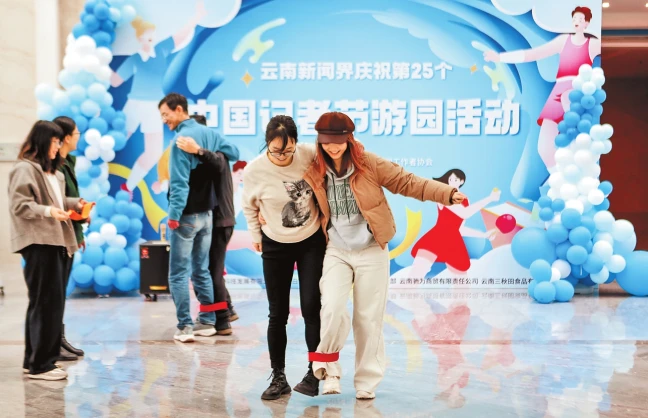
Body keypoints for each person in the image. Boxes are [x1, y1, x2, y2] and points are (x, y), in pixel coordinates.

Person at [302, 112, 465, 399]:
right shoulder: (314, 167)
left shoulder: (368, 163)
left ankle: (366, 382)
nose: (332, 147)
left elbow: (407, 181)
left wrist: (445, 193)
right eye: (326, 141)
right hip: (337, 250)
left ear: (349, 139)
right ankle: (329, 371)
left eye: (338, 141)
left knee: (368, 318)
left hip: (371, 248)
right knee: (332, 308)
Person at [241, 115, 326, 400]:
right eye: (276, 151)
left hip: (311, 241)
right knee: (277, 313)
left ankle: (314, 372)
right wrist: (256, 234)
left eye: (288, 150)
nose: (283, 156)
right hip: (275, 243)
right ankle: (278, 376)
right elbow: (249, 206)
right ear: (267, 143)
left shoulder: (309, 154)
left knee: (311, 307)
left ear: (296, 143)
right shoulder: (254, 170)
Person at [159, 93, 239, 343]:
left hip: (186, 216)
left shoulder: (181, 140)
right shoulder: (210, 134)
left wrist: (173, 215)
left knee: (178, 274)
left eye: (166, 114)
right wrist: (205, 151)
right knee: (201, 269)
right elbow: (233, 152)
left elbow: (179, 183)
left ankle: (184, 326)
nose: (164, 120)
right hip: (207, 216)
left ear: (179, 109)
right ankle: (207, 321)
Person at [8, 120, 84, 381]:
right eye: (54, 141)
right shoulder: (24, 169)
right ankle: (41, 365)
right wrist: (49, 211)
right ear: (42, 141)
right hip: (39, 242)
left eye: (60, 141)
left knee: (50, 302)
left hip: (58, 241)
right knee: (45, 303)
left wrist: (75, 204)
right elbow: (20, 205)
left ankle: (35, 360)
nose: (58, 146)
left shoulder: (55, 173)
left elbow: (59, 202)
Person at [484, 6, 601, 173]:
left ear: (587, 24)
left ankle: (581, 169)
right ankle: (559, 179)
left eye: (581, 20)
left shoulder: (592, 44)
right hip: (559, 90)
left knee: (577, 137)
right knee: (544, 148)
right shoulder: (563, 41)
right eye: (574, 19)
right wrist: (500, 58)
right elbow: (533, 54)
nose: (576, 22)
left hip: (577, 91)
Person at [111, 0, 207, 197]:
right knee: (117, 144)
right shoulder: (134, 58)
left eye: (151, 37)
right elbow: (115, 81)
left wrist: (196, 17)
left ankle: (128, 187)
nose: (149, 41)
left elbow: (180, 35)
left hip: (155, 107)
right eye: (146, 38)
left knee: (153, 152)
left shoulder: (161, 49)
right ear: (139, 39)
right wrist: (96, 64)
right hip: (134, 104)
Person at [176, 114, 238, 333]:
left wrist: (198, 151)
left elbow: (217, 164)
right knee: (213, 269)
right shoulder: (209, 155)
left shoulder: (215, 155)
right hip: (220, 220)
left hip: (219, 221)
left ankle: (221, 320)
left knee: (211, 271)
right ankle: (227, 310)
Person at [407, 168, 500, 279]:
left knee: (461, 283)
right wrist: (490, 198)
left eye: (455, 180)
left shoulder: (465, 200)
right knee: (415, 276)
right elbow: (465, 213)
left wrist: (483, 235)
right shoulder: (444, 195)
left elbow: (460, 229)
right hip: (437, 237)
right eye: (450, 179)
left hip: (453, 241)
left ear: (461, 181)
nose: (452, 182)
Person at [52, 116, 87, 361]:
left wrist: (79, 229)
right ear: (65, 138)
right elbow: (56, 203)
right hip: (57, 236)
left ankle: (59, 338)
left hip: (70, 232)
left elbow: (70, 199)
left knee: (60, 291)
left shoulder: (68, 162)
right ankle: (53, 342)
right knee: (54, 292)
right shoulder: (53, 167)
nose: (78, 138)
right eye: (76, 134)